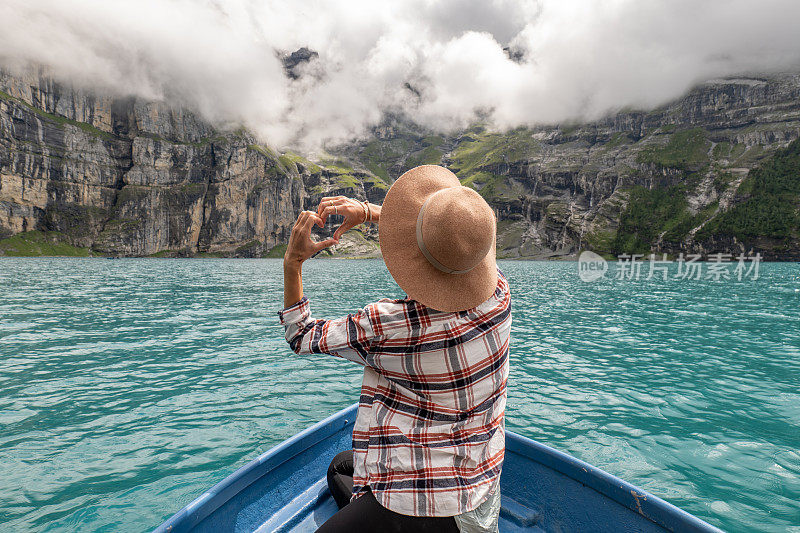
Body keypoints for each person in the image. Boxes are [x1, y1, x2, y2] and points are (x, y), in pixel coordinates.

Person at [278, 165, 511, 532]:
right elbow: (450, 243)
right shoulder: (498, 295)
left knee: (343, 477)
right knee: (342, 466)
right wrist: (371, 212)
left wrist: (293, 263)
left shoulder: (389, 324)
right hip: (480, 486)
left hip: (435, 509)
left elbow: (301, 335)